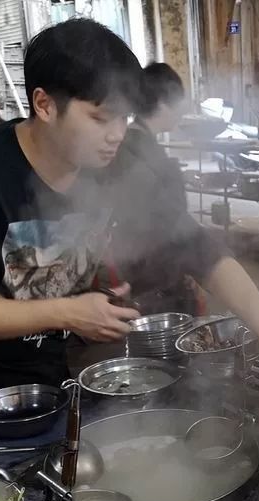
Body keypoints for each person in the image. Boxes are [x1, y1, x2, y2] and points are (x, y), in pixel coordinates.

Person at [0, 19, 259, 423]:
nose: (115, 134)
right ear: (44, 105)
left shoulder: (118, 163)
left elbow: (199, 250)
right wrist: (68, 312)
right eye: (100, 118)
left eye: (124, 118)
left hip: (57, 376)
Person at [106, 63, 201, 314]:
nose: (181, 111)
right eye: (178, 102)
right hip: (149, 273)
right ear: (162, 101)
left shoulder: (134, 142)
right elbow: (162, 221)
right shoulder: (135, 148)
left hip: (138, 266)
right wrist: (185, 267)